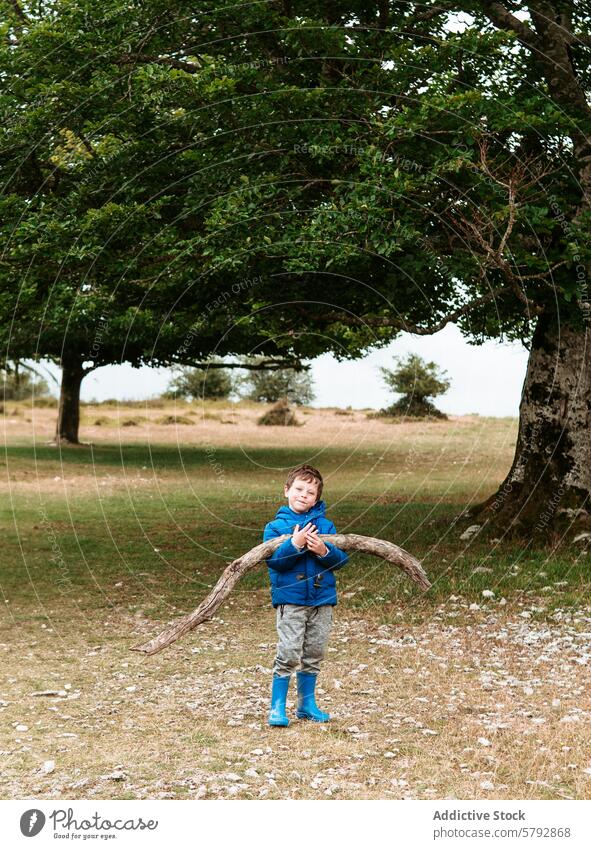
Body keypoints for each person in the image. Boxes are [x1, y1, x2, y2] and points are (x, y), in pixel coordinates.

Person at [263, 463, 348, 726]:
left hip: (322, 600)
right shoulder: (275, 527)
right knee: (289, 651)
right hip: (291, 600)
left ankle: (306, 705)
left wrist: (324, 550)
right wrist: (294, 545)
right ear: (286, 490)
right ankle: (277, 707)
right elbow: (275, 562)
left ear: (317, 499)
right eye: (299, 489)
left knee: (314, 651)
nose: (303, 495)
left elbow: (340, 560)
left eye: (310, 493)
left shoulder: (325, 525)